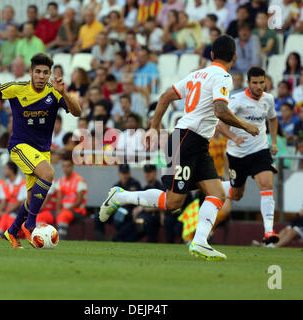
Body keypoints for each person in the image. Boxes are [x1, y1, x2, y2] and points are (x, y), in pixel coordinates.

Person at [99, 35, 260, 260]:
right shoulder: (223, 76)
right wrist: (246, 125)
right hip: (186, 140)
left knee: (216, 194)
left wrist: (153, 128)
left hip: (195, 142)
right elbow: (220, 110)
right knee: (173, 202)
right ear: (234, 56)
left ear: (212, 55)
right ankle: (120, 197)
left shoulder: (197, 74)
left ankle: (200, 242)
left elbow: (165, 97)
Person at [0, 53, 82, 248]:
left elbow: (78, 112)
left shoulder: (55, 91)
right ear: (31, 73)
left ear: (50, 74)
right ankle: (31, 225)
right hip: (19, 146)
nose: (42, 76)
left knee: (31, 199)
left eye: (45, 72)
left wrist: (65, 92)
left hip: (42, 151)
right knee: (49, 173)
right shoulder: (16, 89)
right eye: (38, 72)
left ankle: (12, 231)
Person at [217, 67, 280, 245]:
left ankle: (269, 233)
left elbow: (273, 119)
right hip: (237, 154)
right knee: (237, 194)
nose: (259, 86)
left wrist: (273, 142)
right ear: (248, 83)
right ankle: (214, 185)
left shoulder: (269, 99)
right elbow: (220, 125)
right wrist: (234, 137)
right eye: (255, 82)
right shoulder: (237, 101)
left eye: (262, 82)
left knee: (267, 184)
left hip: (260, 151)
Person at [46, 157, 88, 240]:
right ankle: (40, 240)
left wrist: (64, 210)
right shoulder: (61, 181)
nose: (65, 168)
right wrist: (58, 210)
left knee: (63, 216)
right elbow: (59, 198)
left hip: (77, 211)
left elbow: (79, 201)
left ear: (72, 166)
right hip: (63, 210)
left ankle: (60, 241)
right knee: (42, 216)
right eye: (64, 166)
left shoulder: (79, 180)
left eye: (68, 166)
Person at [0, 161, 26, 238]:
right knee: (1, 216)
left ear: (11, 170)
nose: (3, 171)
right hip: (8, 211)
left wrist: (5, 212)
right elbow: (3, 200)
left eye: (5, 169)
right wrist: (0, 211)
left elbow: (20, 203)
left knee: (9, 217)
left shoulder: (22, 183)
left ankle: (7, 235)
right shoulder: (5, 183)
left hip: (18, 212)